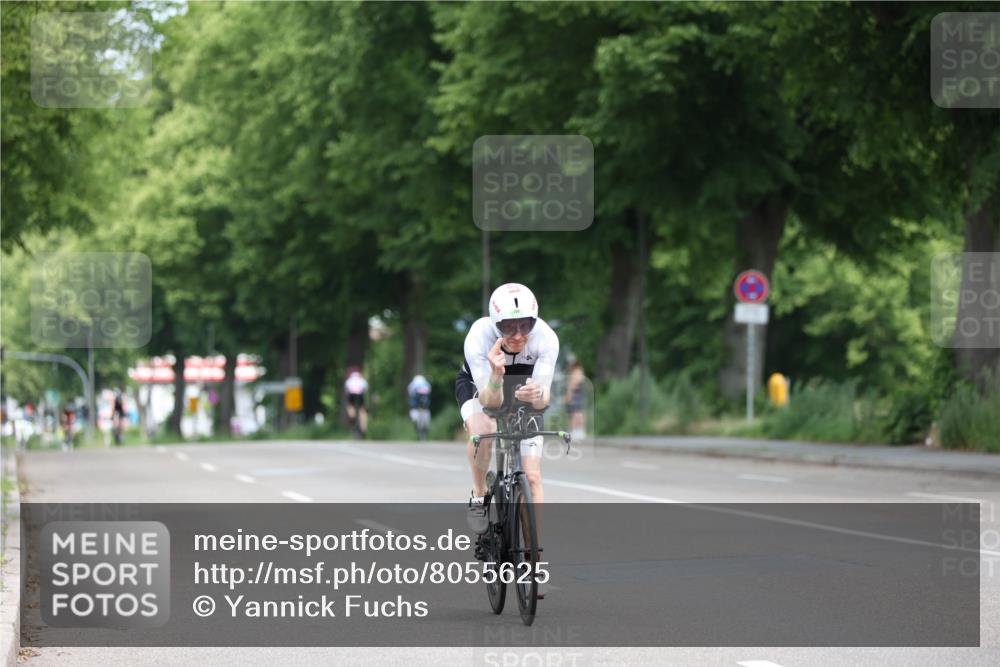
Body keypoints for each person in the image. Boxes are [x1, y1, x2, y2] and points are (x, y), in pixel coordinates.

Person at [455, 283, 558, 534]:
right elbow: (490, 402)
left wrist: (537, 394)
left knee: (532, 476)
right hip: (484, 386)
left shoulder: (545, 337)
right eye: (509, 327)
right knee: (483, 432)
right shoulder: (479, 336)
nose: (518, 335)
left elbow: (543, 400)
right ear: (495, 324)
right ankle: (479, 494)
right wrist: (495, 376)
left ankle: (534, 552)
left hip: (524, 386)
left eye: (525, 325)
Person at [563, 359, 588, 439]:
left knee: (576, 413)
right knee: (573, 413)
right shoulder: (576, 371)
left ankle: (577, 430)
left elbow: (573, 385)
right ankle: (575, 430)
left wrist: (568, 395)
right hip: (576, 396)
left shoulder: (577, 371)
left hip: (575, 396)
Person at [344, 367, 369, 438]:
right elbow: (365, 389)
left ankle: (352, 417)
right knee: (362, 410)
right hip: (360, 395)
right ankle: (363, 427)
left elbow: (347, 390)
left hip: (352, 394)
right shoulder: (362, 379)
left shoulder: (349, 380)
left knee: (350, 406)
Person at [407, 374, 432, 440]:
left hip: (423, 409)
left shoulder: (425, 393)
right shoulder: (415, 395)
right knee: (416, 418)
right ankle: (419, 429)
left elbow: (427, 403)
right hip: (416, 408)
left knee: (425, 419)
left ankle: (424, 430)